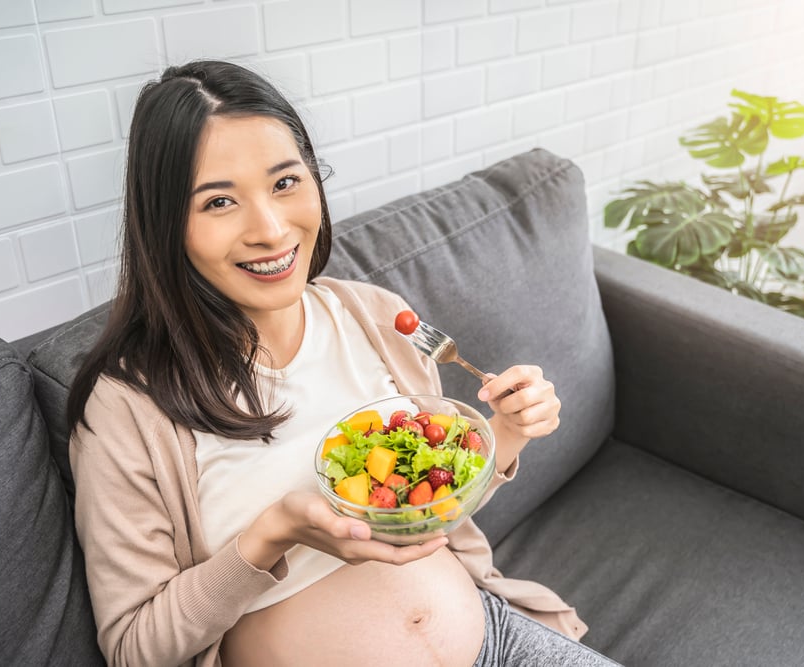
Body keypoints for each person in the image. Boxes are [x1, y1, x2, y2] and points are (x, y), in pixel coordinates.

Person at [66, 59, 621, 667]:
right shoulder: (127, 407)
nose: (272, 229)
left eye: (285, 183)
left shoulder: (379, 317)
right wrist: (269, 536)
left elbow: (427, 501)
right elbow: (133, 648)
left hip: (495, 641)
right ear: (167, 226)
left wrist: (504, 436)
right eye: (220, 202)